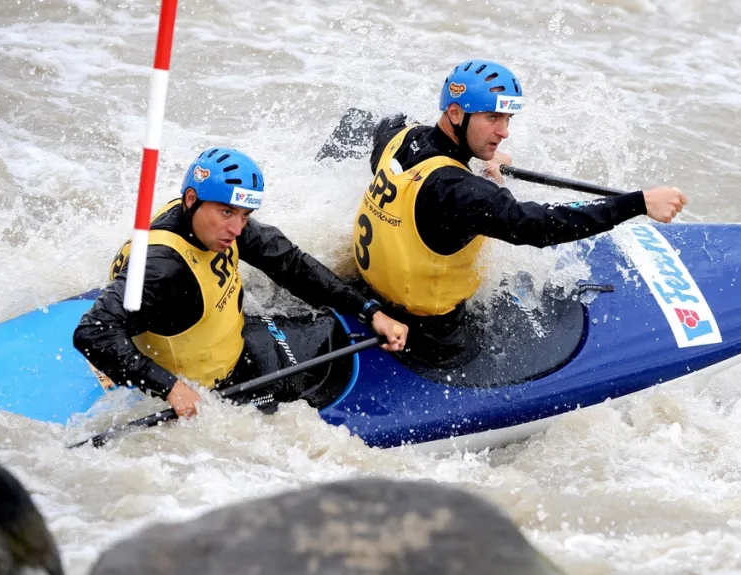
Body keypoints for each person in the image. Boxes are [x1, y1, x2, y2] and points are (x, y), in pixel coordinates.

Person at [352, 59, 687, 368]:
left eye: (507, 119)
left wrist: (481, 167)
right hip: (432, 340)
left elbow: (366, 122)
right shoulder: (459, 191)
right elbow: (539, 225)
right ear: (455, 113)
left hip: (370, 295)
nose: (504, 132)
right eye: (492, 118)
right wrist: (638, 202)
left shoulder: (400, 137)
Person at [74, 147, 407, 417]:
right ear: (191, 199)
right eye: (226, 212)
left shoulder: (205, 222)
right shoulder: (164, 269)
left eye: (244, 215)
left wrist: (369, 310)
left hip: (226, 341)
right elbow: (93, 332)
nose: (237, 229)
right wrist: (170, 388)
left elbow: (290, 264)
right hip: (209, 388)